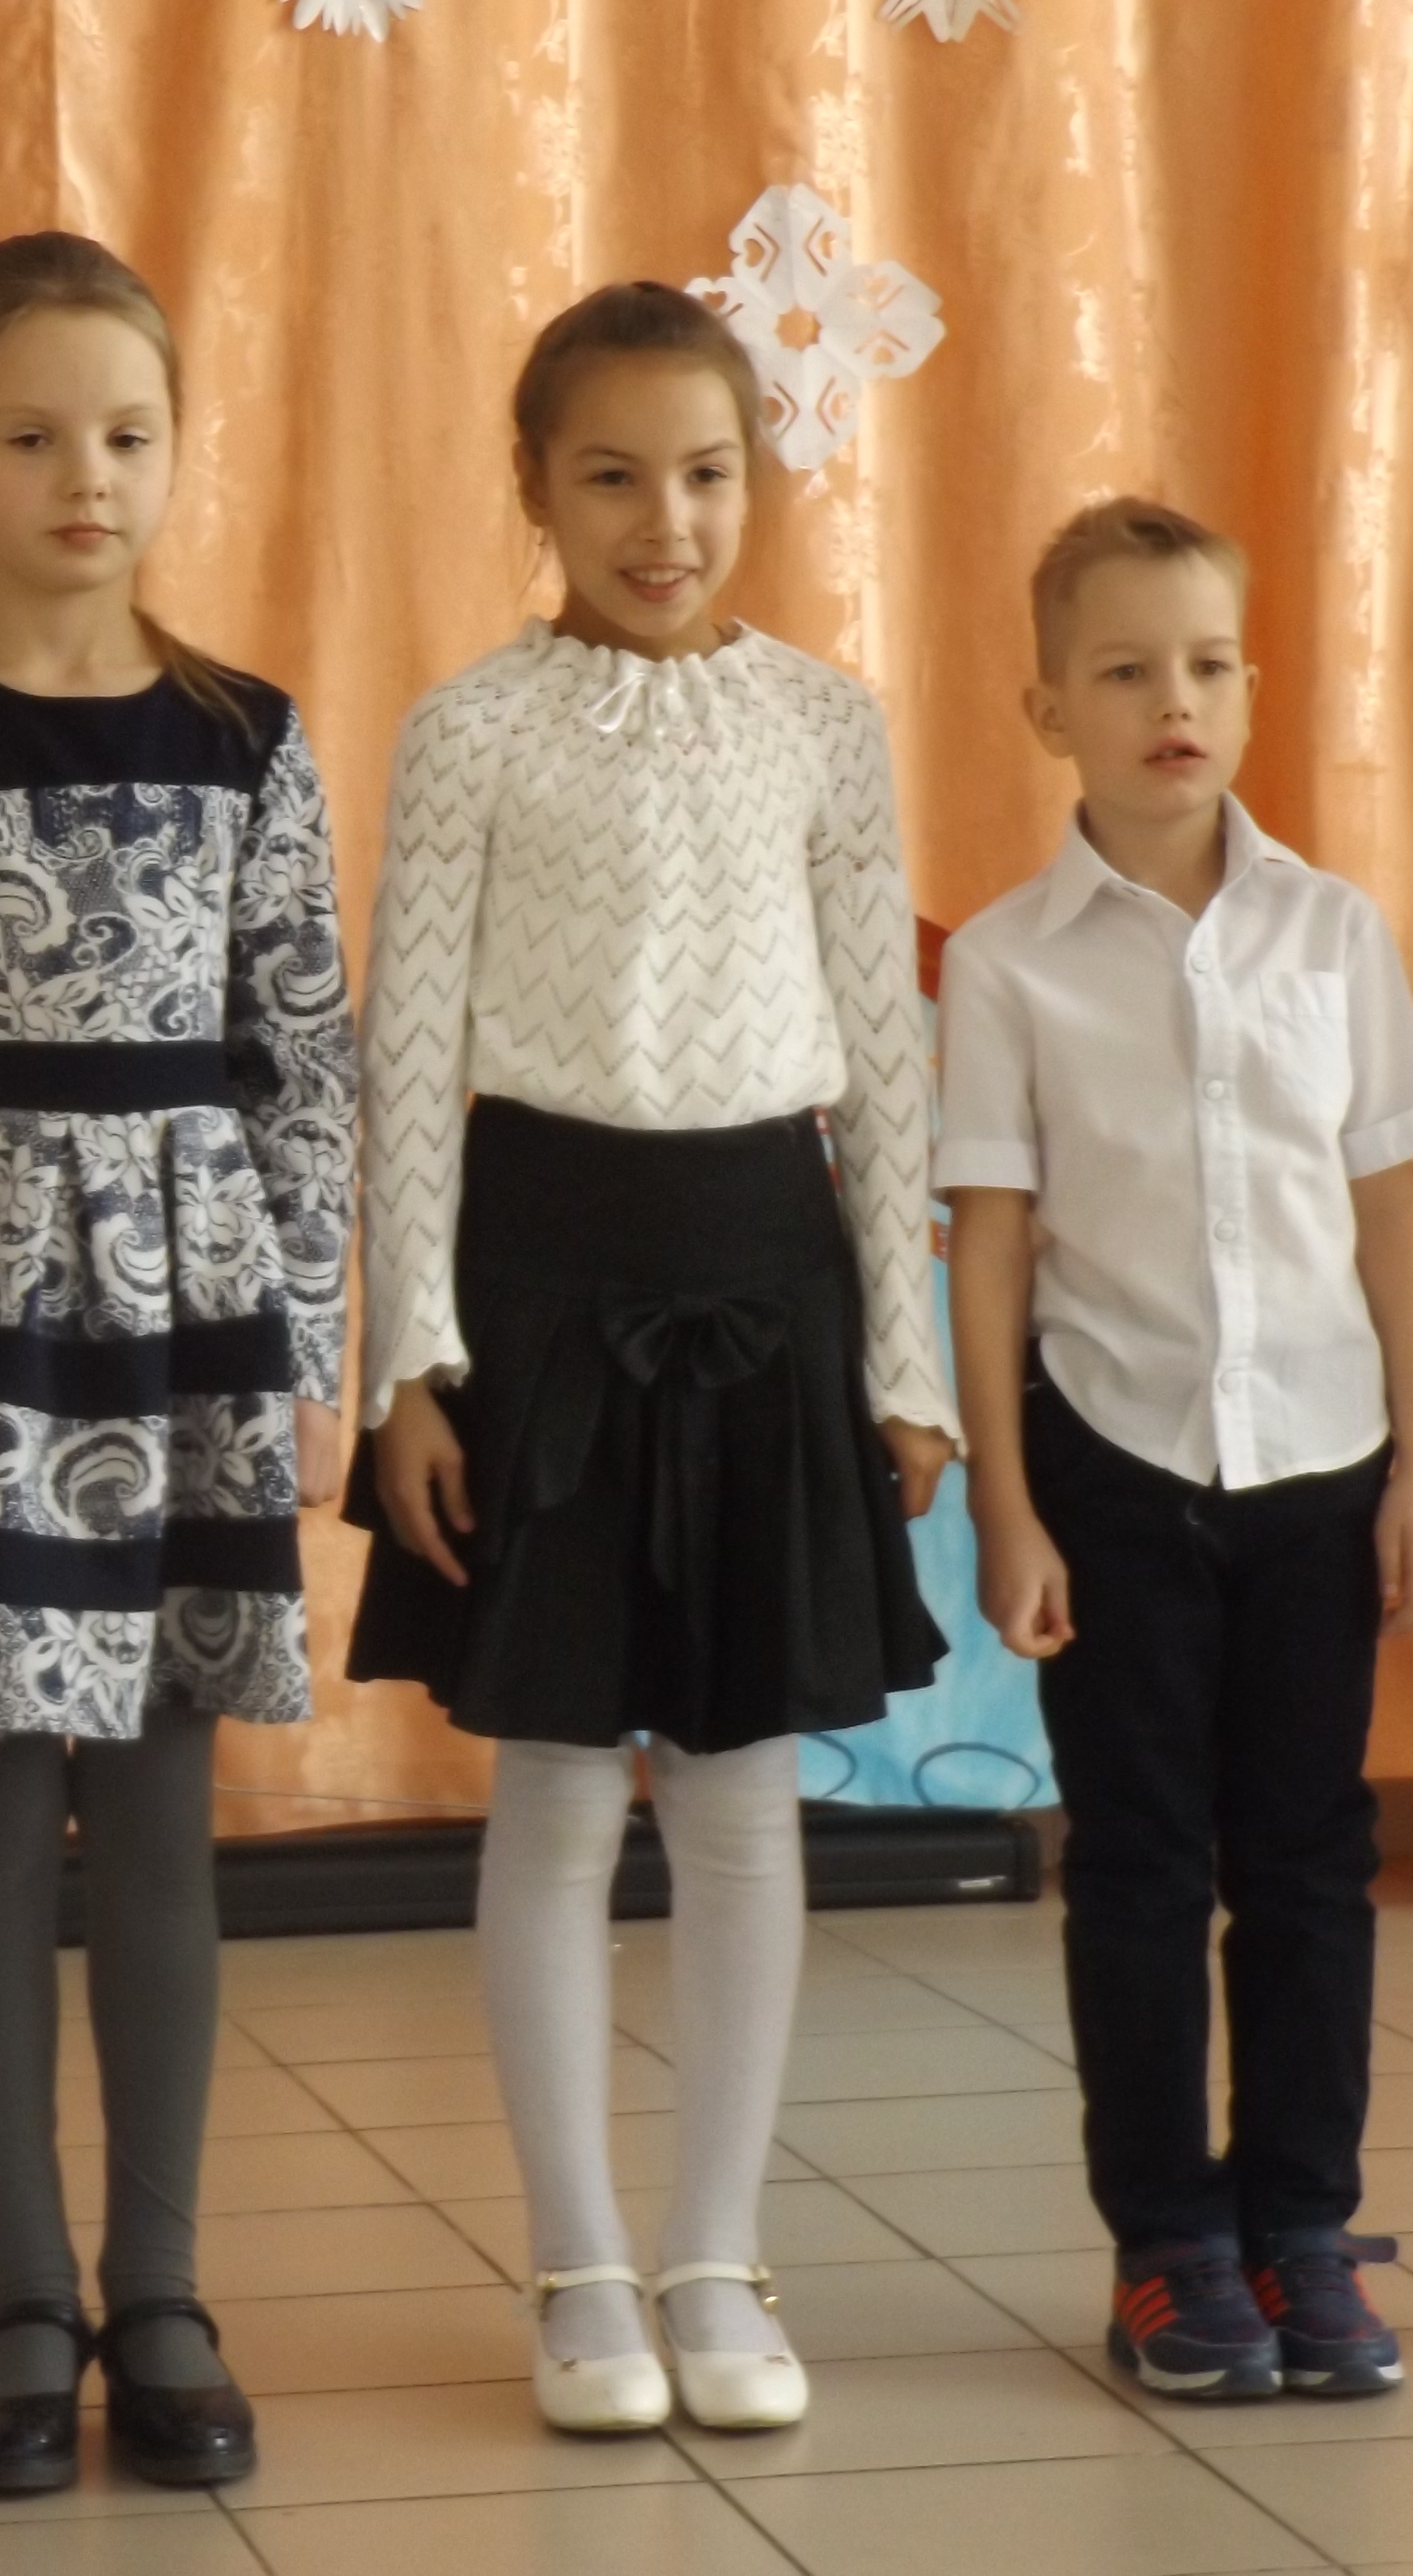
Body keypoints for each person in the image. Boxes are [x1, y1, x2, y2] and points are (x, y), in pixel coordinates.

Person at [351, 281, 956, 2438]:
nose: (663, 520)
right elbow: (404, 1056)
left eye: (705, 473)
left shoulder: (825, 726)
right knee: (548, 1789)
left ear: (758, 481)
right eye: (610, 476)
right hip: (540, 1278)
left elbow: (883, 1056)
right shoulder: (470, 730)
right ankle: (580, 2266)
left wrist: (907, 1360)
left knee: (738, 1792)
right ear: (534, 489)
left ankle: (716, 2251)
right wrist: (410, 1363)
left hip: (767, 1273)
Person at [0, 233, 355, 2498]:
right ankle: (21, 2294)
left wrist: (311, 1349)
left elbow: (305, 1062)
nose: (83, 475)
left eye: (127, 432)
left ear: (180, 448)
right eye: (29, 433)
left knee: (169, 1809)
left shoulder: (250, 741)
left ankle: (165, 2288)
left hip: (190, 1318)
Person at [937, 496, 1413, 2401]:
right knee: (1145, 1865)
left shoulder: (1333, 932)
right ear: (1047, 708)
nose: (1176, 702)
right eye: (1127, 669)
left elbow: (1390, 1207)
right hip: (1117, 1466)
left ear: (1251, 690)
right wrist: (1008, 1503)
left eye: (1211, 665)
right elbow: (992, 1244)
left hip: (1321, 1461)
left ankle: (1303, 2227)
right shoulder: (1010, 964)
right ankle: (1167, 2241)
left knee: (1311, 1860)